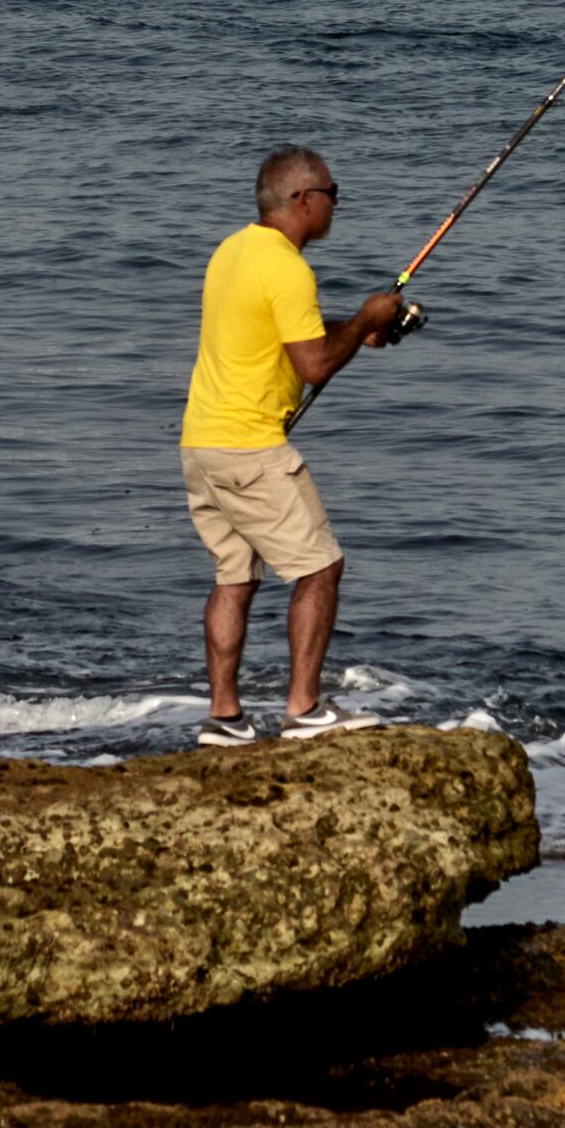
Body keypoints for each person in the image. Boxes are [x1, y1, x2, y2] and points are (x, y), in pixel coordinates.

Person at [180, 144, 405, 746]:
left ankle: (224, 720)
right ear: (302, 199)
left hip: (202, 443)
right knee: (322, 567)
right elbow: (312, 366)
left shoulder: (233, 251)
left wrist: (361, 334)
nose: (337, 204)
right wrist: (362, 319)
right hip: (251, 448)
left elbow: (287, 337)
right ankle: (304, 710)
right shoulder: (287, 266)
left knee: (235, 577)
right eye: (332, 193)